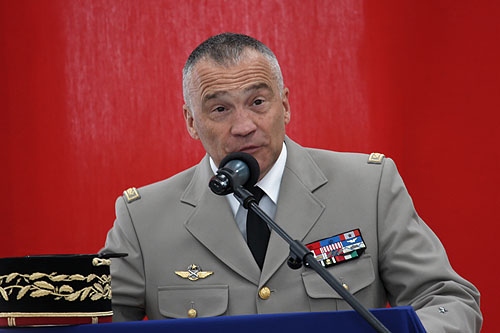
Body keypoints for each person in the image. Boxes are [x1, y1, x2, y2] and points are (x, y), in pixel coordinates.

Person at [102, 33, 482, 332]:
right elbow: (98, 324)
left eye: (258, 102)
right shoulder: (143, 219)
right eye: (220, 109)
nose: (243, 126)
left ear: (284, 104)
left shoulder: (369, 187)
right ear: (190, 121)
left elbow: (448, 300)